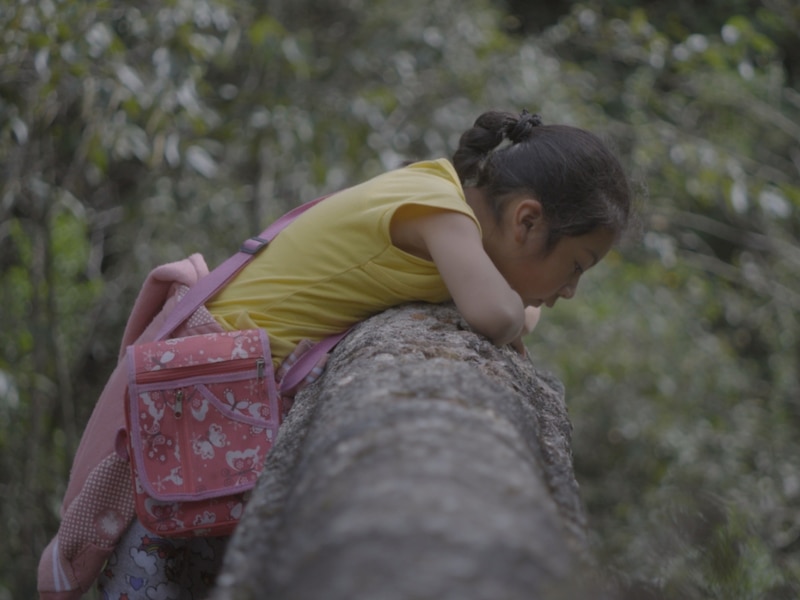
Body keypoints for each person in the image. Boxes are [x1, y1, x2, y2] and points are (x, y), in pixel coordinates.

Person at [39, 109, 632, 599]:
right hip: (199, 413)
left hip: (226, 408)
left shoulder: (442, 197)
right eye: (575, 266)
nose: (570, 291)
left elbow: (506, 307)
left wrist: (528, 300)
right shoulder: (438, 211)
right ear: (527, 220)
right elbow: (498, 315)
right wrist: (524, 306)